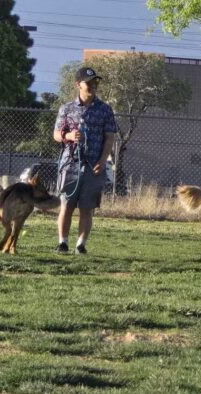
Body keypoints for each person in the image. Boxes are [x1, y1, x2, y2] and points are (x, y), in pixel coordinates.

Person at [53, 67, 117, 254]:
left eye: (95, 82)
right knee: (66, 205)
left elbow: (110, 137)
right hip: (70, 163)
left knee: (87, 208)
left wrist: (104, 159)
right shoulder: (66, 109)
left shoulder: (105, 110)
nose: (93, 86)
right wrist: (69, 135)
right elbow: (56, 134)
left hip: (94, 165)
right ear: (78, 84)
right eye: (89, 82)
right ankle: (62, 242)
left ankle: (80, 245)